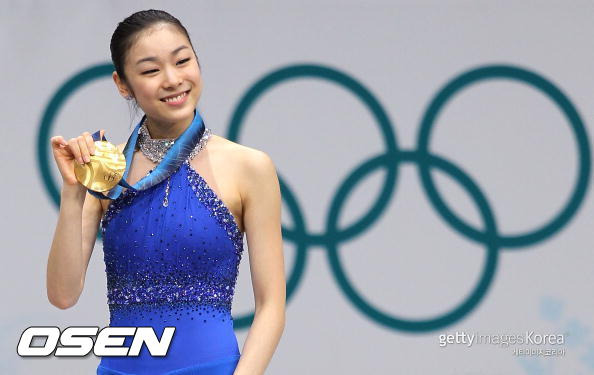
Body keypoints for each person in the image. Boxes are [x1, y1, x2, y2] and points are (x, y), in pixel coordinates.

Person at [46, 9, 285, 375]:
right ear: (123, 84)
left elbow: (271, 306)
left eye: (182, 61)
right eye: (150, 70)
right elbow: (62, 296)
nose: (173, 79)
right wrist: (73, 193)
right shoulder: (108, 171)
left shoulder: (249, 167)